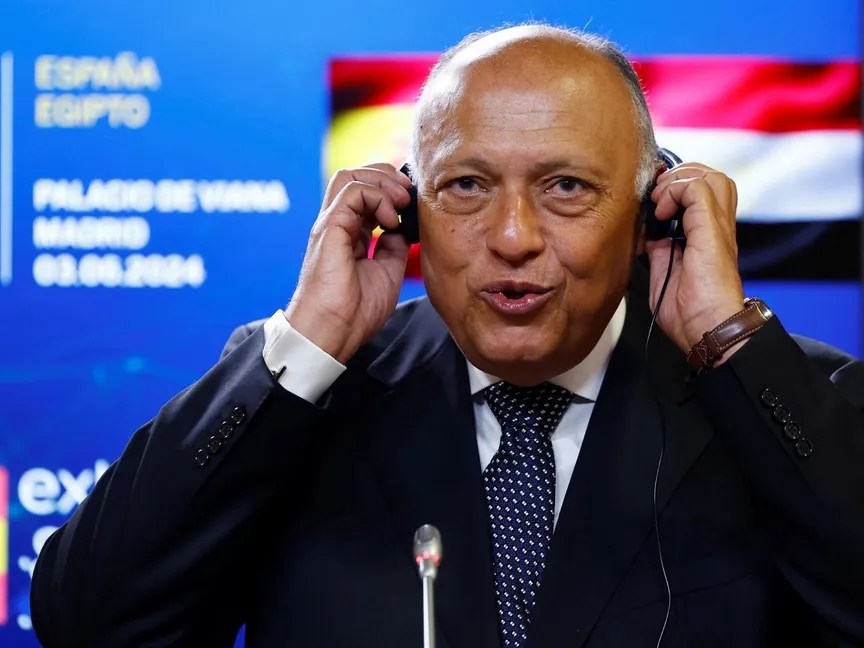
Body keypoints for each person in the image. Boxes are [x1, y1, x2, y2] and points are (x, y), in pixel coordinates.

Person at [31, 24, 864, 648]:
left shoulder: (791, 398)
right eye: (466, 185)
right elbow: (90, 623)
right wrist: (311, 340)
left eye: (566, 187)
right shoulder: (300, 395)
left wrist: (725, 341)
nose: (512, 237)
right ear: (409, 207)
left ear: (654, 211)